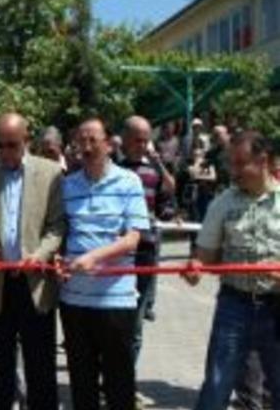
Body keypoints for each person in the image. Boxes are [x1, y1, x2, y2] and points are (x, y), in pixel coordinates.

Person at [182, 131, 280, 410]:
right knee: (216, 385)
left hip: (277, 307)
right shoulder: (223, 203)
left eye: (240, 163)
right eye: (230, 164)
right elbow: (205, 257)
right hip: (234, 306)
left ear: (262, 161)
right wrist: (195, 268)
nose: (232, 171)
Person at [0, 113, 65, 410]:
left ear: (27, 140)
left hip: (35, 283)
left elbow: (57, 226)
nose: (5, 151)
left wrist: (39, 255)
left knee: (40, 371)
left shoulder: (50, 174)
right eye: (0, 145)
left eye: (12, 144)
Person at [57, 117, 149, 410]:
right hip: (74, 299)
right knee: (82, 384)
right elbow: (60, 233)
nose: (85, 147)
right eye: (80, 141)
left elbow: (133, 238)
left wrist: (93, 257)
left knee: (119, 384)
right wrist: (58, 258)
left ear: (109, 144)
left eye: (92, 140)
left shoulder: (129, 182)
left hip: (115, 300)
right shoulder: (67, 185)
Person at [117, 116, 177, 406]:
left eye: (146, 139)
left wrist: (167, 212)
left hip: (145, 255)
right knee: (115, 323)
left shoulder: (154, 170)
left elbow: (166, 206)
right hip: (117, 257)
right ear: (124, 139)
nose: (143, 145)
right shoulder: (111, 170)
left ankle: (127, 383)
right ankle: (112, 382)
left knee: (137, 325)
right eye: (138, 139)